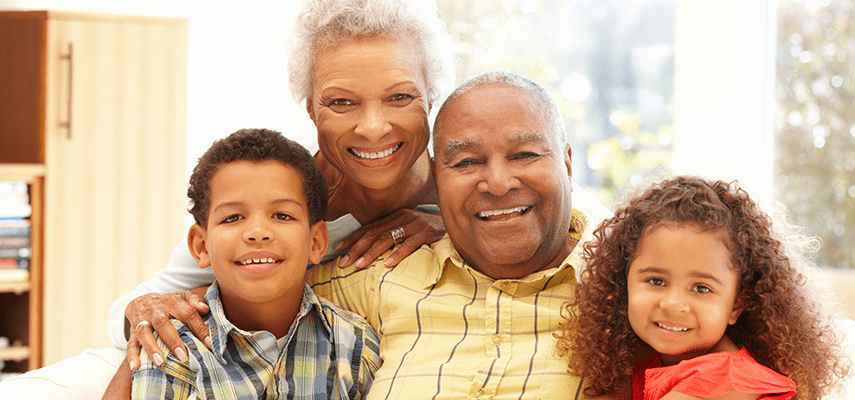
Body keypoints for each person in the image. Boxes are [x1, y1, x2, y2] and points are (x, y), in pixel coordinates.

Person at [111, 0, 455, 373]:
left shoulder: (464, 185)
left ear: (432, 97)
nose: (373, 128)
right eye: (341, 102)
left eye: (400, 97)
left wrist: (449, 225)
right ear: (310, 109)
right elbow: (134, 306)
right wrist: (144, 309)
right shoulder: (279, 190)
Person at [305, 70, 605, 399]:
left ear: (567, 164)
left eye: (524, 155)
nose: (498, 183)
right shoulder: (383, 272)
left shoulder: (624, 287)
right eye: (465, 162)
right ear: (438, 179)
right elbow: (259, 296)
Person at [124, 128, 380, 399]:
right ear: (201, 247)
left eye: (282, 215)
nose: (257, 231)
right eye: (233, 218)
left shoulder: (353, 346)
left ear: (316, 243)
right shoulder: (170, 348)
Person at [556, 176, 852, 400]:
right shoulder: (643, 362)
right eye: (656, 281)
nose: (673, 303)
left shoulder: (726, 381)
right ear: (624, 284)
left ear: (736, 305)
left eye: (701, 288)